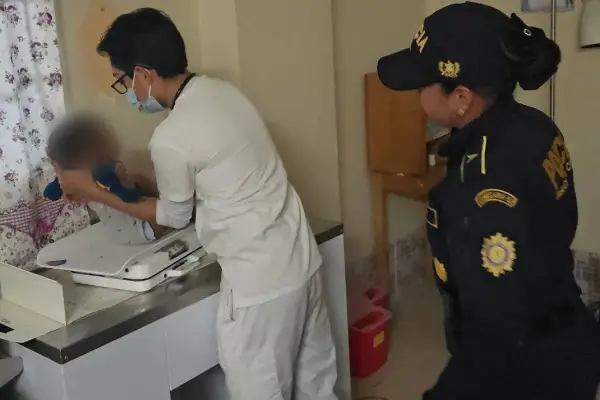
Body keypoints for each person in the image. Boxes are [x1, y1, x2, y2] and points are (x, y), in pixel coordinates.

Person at [56, 7, 338, 400]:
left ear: (144, 74)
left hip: (260, 286)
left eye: (122, 81)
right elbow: (217, 179)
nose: (126, 93)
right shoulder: (222, 92)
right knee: (317, 388)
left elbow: (173, 216)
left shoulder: (171, 135)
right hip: (302, 260)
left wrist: (92, 191)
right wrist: (135, 185)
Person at [377, 2, 600, 399]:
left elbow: (496, 327)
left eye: (421, 85)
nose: (415, 94)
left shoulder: (484, 185)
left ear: (461, 97)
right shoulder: (532, 125)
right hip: (564, 330)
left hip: (529, 367)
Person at [45, 114, 162, 245]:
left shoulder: (108, 175)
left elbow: (131, 197)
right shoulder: (70, 180)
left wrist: (124, 182)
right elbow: (50, 193)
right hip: (121, 229)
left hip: (138, 228)